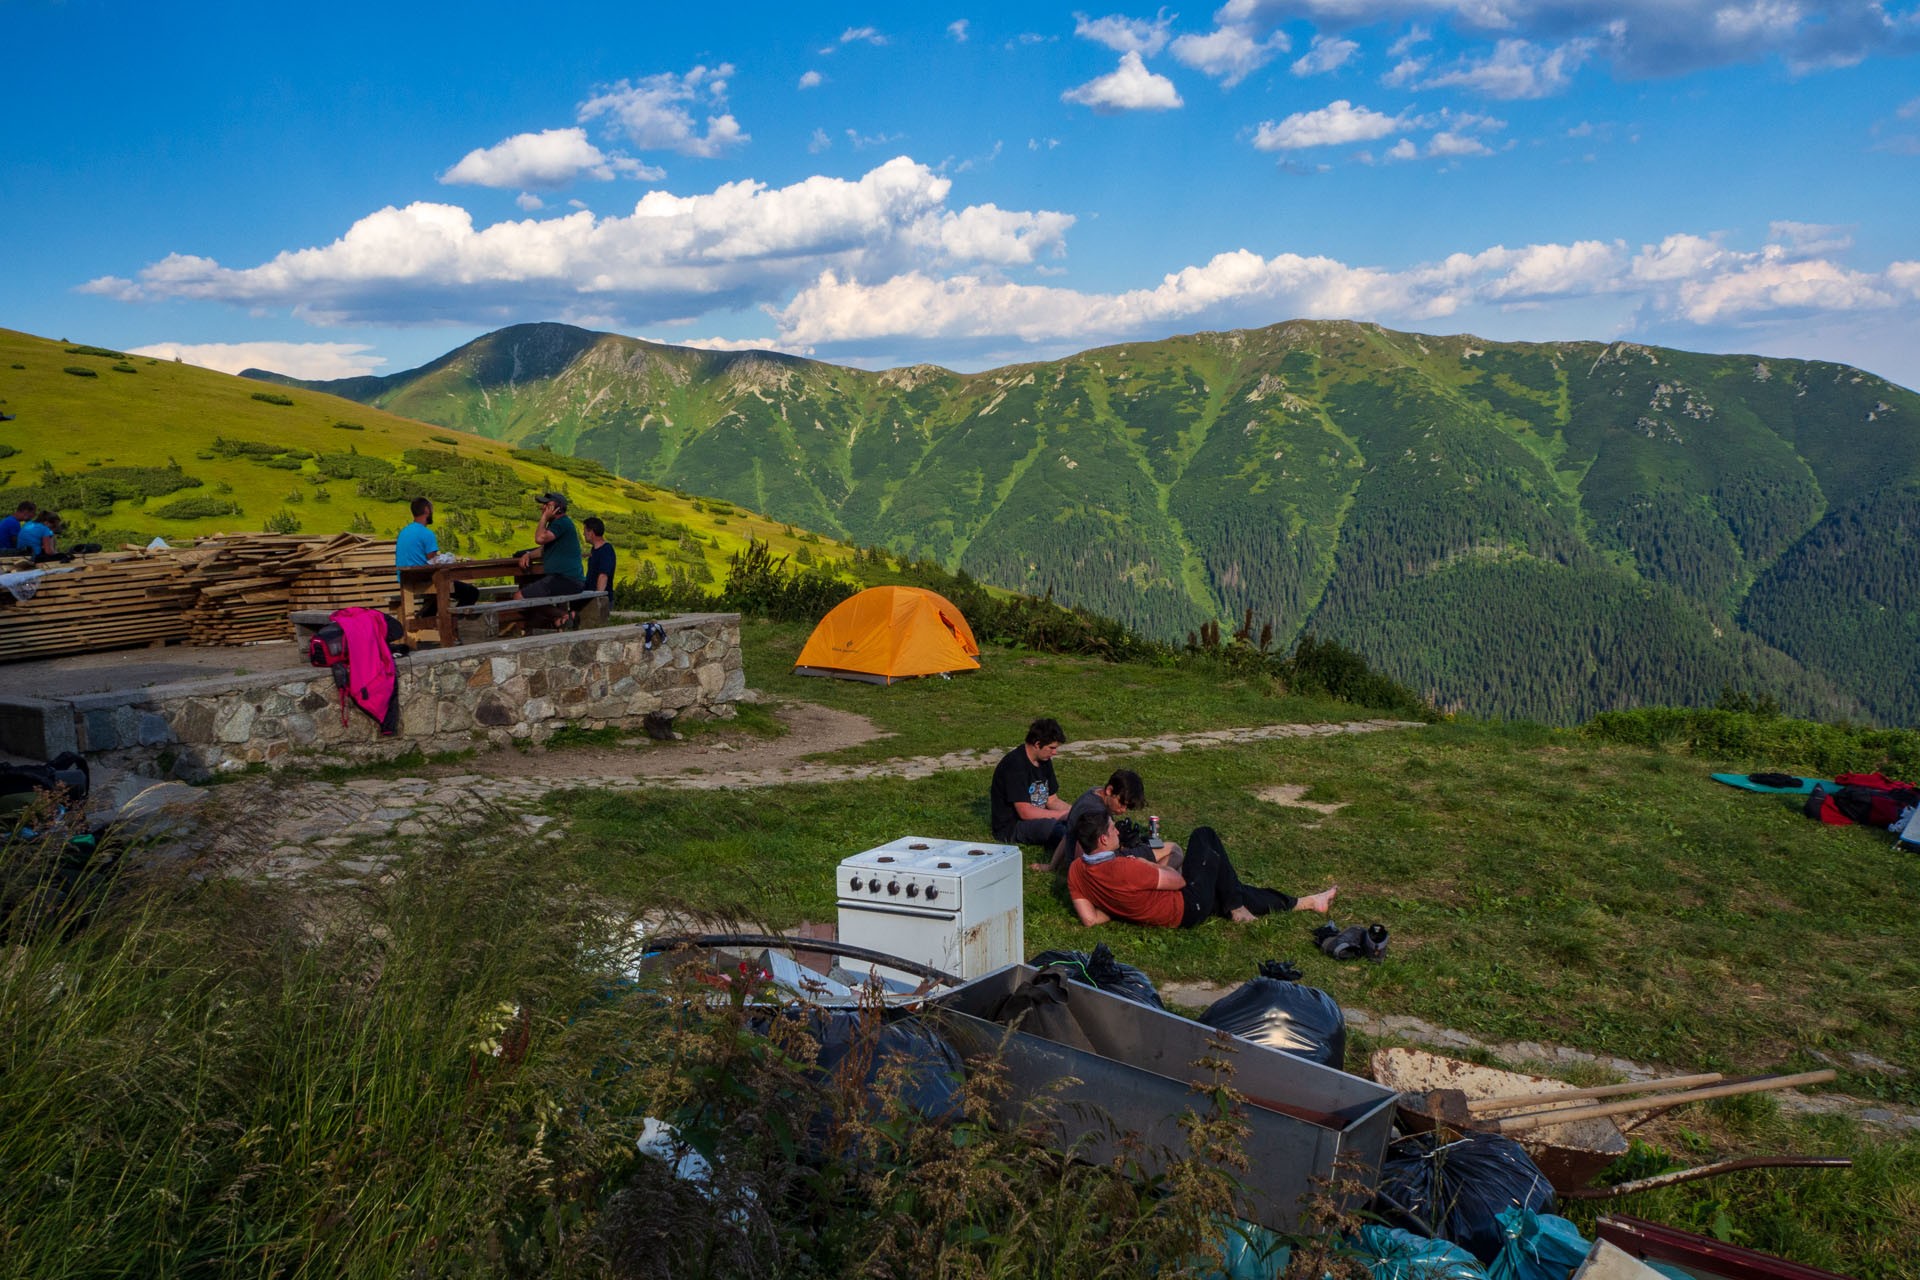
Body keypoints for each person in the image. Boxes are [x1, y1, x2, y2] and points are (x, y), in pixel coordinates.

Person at [1065, 810, 1337, 930]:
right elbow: (1177, 881)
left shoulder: (1076, 870)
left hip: (1175, 909)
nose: (1116, 832)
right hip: (1186, 907)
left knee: (1230, 889)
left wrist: (1119, 907)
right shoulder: (1126, 867)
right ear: (1103, 839)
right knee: (1203, 835)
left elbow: (1089, 919)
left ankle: (1309, 902)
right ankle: (1237, 908)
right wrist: (1154, 864)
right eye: (1113, 829)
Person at [1035, 768, 1184, 873]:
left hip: (1084, 865)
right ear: (1109, 791)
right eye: (1122, 803)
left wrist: (1052, 866)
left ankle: (1167, 879)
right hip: (1101, 867)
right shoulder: (1094, 813)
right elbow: (1087, 858)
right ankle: (1161, 882)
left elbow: (1068, 834)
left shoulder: (1092, 793)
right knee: (1173, 852)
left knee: (1174, 864)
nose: (1123, 810)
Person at [989, 717, 1072, 849]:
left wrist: (1076, 811)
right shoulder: (1014, 765)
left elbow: (1052, 800)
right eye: (1052, 748)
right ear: (1037, 744)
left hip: (1038, 818)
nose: (1055, 752)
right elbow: (1025, 812)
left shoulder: (1044, 760)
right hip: (1014, 826)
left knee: (1083, 823)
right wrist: (1063, 816)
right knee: (1060, 830)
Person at [396, 497, 477, 614]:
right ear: (426, 510)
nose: (432, 512)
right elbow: (434, 561)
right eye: (432, 509)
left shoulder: (404, 532)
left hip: (406, 579)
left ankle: (426, 620)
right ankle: (455, 624)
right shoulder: (426, 533)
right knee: (471, 592)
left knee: (436, 593)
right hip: (423, 579)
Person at [513, 491, 585, 600]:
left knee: (519, 597)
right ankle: (563, 616)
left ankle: (563, 616)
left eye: (547, 506)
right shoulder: (557, 524)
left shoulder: (562, 522)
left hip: (566, 579)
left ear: (558, 508)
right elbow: (544, 549)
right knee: (529, 597)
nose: (542, 508)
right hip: (565, 579)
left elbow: (539, 538)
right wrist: (528, 555)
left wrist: (544, 518)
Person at [583, 517, 616, 596]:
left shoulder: (606, 550)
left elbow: (603, 576)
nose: (583, 534)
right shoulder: (594, 549)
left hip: (600, 600)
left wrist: (597, 597)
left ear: (591, 532)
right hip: (591, 597)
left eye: (584, 531)